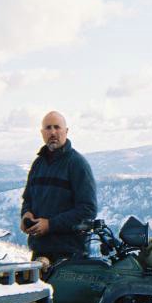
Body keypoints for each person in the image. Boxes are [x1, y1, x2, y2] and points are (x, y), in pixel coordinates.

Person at [21, 111, 97, 264]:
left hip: (69, 256)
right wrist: (26, 214)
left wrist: (50, 225)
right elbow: (28, 198)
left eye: (57, 127)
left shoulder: (77, 164)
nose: (53, 132)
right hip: (40, 253)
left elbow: (88, 209)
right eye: (48, 128)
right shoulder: (38, 164)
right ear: (42, 133)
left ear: (66, 131)